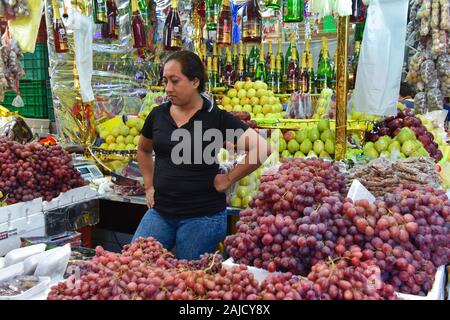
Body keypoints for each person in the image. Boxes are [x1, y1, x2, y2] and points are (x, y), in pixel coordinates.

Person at [132, 50, 270, 260]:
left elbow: (261, 148)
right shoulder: (157, 115)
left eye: (175, 81)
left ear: (195, 81)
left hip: (203, 216)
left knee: (189, 281)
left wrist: (228, 178)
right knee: (133, 264)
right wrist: (149, 185)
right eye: (165, 81)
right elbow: (143, 149)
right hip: (161, 212)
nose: (168, 88)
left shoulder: (215, 118)